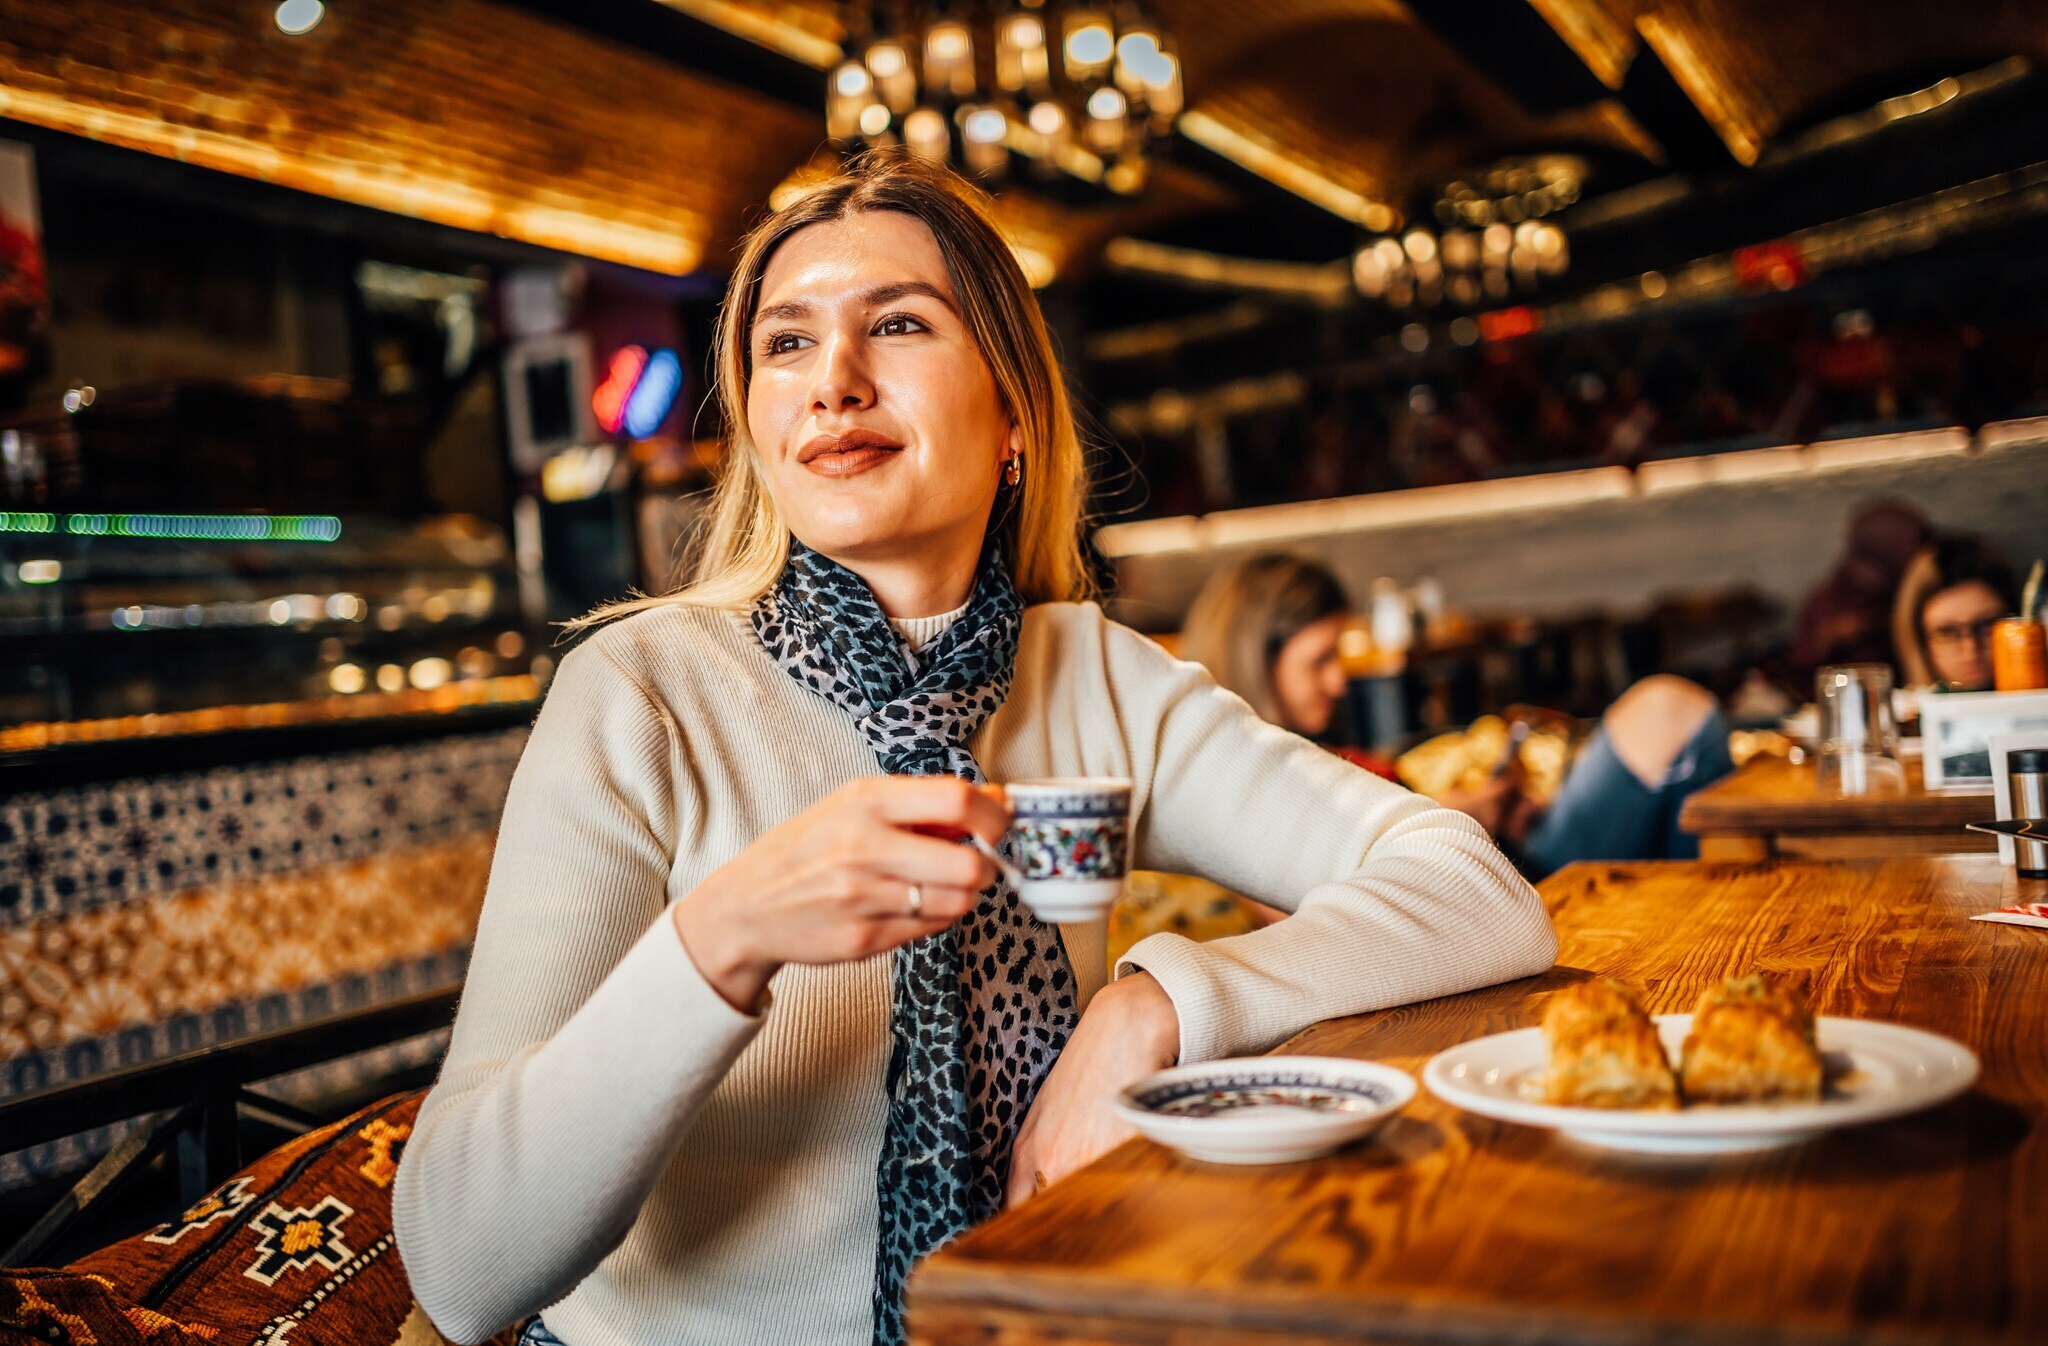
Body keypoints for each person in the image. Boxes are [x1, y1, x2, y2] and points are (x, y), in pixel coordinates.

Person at [391, 155, 1556, 1346]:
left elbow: (1473, 887)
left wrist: (1155, 1004)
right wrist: (719, 939)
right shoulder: (640, 693)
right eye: (784, 344)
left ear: (1010, 412)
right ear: (753, 423)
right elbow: (459, 1261)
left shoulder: (1090, 674)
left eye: (896, 324)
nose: (832, 382)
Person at [1179, 554, 1731, 880]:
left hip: (1501, 859)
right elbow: (1308, 897)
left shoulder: (1307, 751)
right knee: (1668, 710)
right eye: (1320, 661)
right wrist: (1454, 818)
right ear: (1258, 661)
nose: (1339, 681)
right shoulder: (1241, 786)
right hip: (1504, 891)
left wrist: (1477, 810)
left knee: (1671, 715)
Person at [1790, 498, 1929, 681]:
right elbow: (1804, 658)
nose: (1911, 546)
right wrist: (1833, 636)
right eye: (1904, 539)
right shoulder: (1831, 597)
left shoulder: (1913, 581)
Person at [1890, 533, 2021, 692]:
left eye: (1987, 626)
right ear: (1920, 641)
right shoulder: (1906, 712)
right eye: (1947, 632)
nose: (1971, 650)